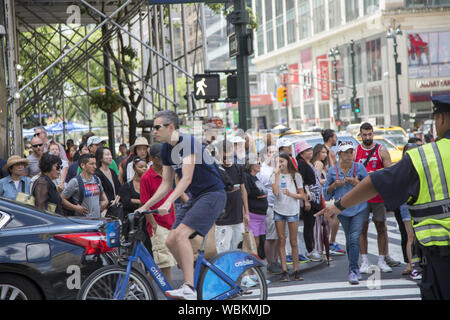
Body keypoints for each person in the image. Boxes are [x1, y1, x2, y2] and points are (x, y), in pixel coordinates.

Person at [316, 95, 450, 300]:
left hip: (442, 257)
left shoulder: (425, 156)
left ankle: (379, 258)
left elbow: (378, 181)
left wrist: (338, 206)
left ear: (440, 119)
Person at [137, 110, 226, 300]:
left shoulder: (188, 143)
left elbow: (186, 179)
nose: (154, 131)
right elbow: (166, 183)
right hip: (197, 197)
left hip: (212, 194)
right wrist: (145, 206)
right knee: (170, 240)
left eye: (157, 127)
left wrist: (169, 202)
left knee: (182, 235)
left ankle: (189, 287)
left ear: (171, 127)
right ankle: (192, 276)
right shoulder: (166, 149)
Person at [323, 141, 369, 284]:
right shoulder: (333, 170)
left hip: (359, 208)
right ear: (339, 154)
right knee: (350, 239)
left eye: (351, 152)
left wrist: (356, 183)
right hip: (342, 210)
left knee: (354, 238)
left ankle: (353, 270)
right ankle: (353, 267)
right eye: (346, 152)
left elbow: (369, 186)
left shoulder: (359, 167)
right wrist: (333, 185)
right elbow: (326, 194)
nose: (350, 155)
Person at [355, 122, 398, 273]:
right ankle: (364, 261)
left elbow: (390, 171)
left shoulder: (381, 150)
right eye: (364, 134)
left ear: (373, 134)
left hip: (378, 196)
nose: (367, 137)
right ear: (360, 135)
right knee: (362, 229)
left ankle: (382, 260)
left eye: (369, 134)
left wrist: (376, 174)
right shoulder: (356, 152)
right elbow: (351, 172)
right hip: (362, 197)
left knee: (381, 227)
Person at [139, 144, 177, 284]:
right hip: (158, 224)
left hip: (171, 222)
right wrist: (153, 225)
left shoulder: (168, 171)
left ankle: (139, 284)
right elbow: (144, 203)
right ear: (154, 159)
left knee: (165, 262)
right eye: (162, 158)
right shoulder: (147, 177)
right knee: (164, 263)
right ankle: (169, 292)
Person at [271, 152, 306, 282]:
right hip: (278, 210)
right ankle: (285, 270)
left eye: (282, 161)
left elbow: (302, 195)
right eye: (277, 162)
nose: (280, 164)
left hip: (292, 210)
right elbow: (275, 192)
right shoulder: (274, 175)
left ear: (287, 161)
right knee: (281, 239)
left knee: (293, 241)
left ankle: (296, 270)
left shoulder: (296, 176)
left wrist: (291, 194)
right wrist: (276, 174)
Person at [215, 140, 249, 253]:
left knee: (238, 252)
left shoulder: (238, 168)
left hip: (238, 218)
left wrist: (246, 213)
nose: (228, 158)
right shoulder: (216, 170)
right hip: (222, 220)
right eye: (224, 156)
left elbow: (243, 191)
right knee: (223, 253)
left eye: (230, 155)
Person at [295, 140, 324, 262]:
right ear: (301, 153)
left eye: (310, 149)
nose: (310, 152)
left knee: (313, 224)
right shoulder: (301, 164)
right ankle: (310, 249)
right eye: (307, 150)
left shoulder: (309, 163)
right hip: (309, 199)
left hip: (315, 197)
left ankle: (314, 248)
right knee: (309, 224)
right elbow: (302, 182)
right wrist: (306, 200)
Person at [257, 145, 282, 274]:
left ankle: (276, 260)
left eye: (276, 152)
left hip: (281, 204)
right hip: (269, 205)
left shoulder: (279, 166)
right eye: (271, 152)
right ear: (266, 154)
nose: (274, 155)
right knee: (271, 236)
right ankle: (270, 262)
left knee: (279, 235)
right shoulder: (263, 169)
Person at [61, 154, 109, 218]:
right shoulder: (75, 181)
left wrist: (105, 201)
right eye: (91, 164)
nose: (95, 166)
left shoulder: (97, 179)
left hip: (97, 221)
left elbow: (103, 195)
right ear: (83, 165)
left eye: (95, 163)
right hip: (83, 222)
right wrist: (75, 208)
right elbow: (62, 199)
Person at [243, 155, 268, 258]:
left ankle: (255, 264)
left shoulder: (255, 177)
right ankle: (251, 265)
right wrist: (246, 213)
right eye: (257, 163)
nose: (260, 165)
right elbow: (245, 195)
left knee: (259, 242)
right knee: (253, 243)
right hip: (253, 215)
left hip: (261, 215)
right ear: (250, 164)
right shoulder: (246, 177)